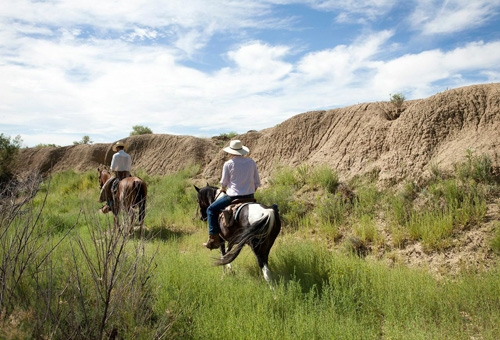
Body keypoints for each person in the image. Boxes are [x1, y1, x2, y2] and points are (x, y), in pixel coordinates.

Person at [203, 139, 261, 249]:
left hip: (233, 197)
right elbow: (257, 183)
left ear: (231, 152)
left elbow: (224, 183)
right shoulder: (251, 162)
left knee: (210, 210)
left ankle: (213, 239)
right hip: (250, 197)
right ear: (242, 151)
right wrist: (248, 193)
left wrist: (223, 189)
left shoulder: (228, 164)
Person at [99, 141, 132, 213]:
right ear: (123, 148)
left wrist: (113, 169)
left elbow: (113, 167)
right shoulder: (128, 156)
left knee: (107, 186)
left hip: (118, 175)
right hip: (127, 175)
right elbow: (129, 166)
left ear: (117, 148)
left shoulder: (116, 155)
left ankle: (110, 203)